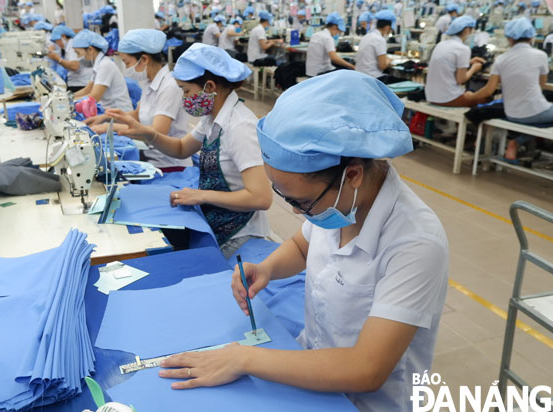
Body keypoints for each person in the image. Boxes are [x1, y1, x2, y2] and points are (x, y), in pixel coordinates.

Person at [155, 71, 448, 412]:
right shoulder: (339, 201)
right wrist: (266, 269)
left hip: (365, 402)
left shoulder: (416, 243)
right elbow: (302, 246)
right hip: (310, 374)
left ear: (352, 175)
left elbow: (366, 369)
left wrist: (244, 359)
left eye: (302, 203)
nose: (296, 213)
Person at [107, 43, 272, 258]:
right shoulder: (212, 118)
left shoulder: (240, 126)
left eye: (186, 91)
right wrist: (148, 134)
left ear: (210, 87)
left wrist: (201, 195)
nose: (184, 99)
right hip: (218, 221)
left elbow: (260, 198)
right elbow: (182, 148)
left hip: (239, 235)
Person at [87, 29, 192, 170]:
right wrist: (106, 118)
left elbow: (158, 131)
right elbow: (138, 115)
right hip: (150, 158)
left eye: (127, 63)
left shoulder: (169, 86)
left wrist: (109, 128)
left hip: (169, 166)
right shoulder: (149, 83)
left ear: (144, 59)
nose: (126, 69)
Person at [470, 18, 553, 125]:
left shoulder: (500, 59)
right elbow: (541, 85)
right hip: (536, 112)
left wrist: (471, 96)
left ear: (509, 38)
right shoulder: (541, 56)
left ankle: (518, 140)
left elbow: (489, 90)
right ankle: (520, 140)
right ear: (532, 37)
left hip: (511, 114)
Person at [425, 16, 486, 107]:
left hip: (431, 96)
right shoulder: (463, 49)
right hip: (447, 98)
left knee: (470, 93)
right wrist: (474, 68)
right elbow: (461, 80)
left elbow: (449, 62)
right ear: (466, 30)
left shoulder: (440, 44)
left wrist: (468, 62)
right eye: (471, 30)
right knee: (485, 99)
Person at [72, 30, 133, 111]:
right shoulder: (99, 64)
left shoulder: (105, 65)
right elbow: (88, 89)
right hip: (108, 112)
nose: (78, 57)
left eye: (78, 53)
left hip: (119, 114)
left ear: (90, 50)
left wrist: (70, 102)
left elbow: (94, 97)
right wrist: (68, 97)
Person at [355, 10, 398, 84]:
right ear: (387, 27)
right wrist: (389, 61)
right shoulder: (380, 40)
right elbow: (383, 66)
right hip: (374, 78)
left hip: (360, 76)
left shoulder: (367, 36)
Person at [46, 25, 93, 93]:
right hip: (77, 82)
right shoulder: (68, 46)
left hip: (80, 84)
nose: (57, 44)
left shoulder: (72, 44)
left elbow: (75, 66)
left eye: (58, 41)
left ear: (63, 36)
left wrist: (57, 59)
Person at [306, 12, 354, 77]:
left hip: (310, 72)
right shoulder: (328, 38)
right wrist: (352, 66)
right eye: (339, 31)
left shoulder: (316, 35)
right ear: (334, 27)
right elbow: (334, 59)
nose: (338, 34)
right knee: (347, 72)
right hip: (321, 72)